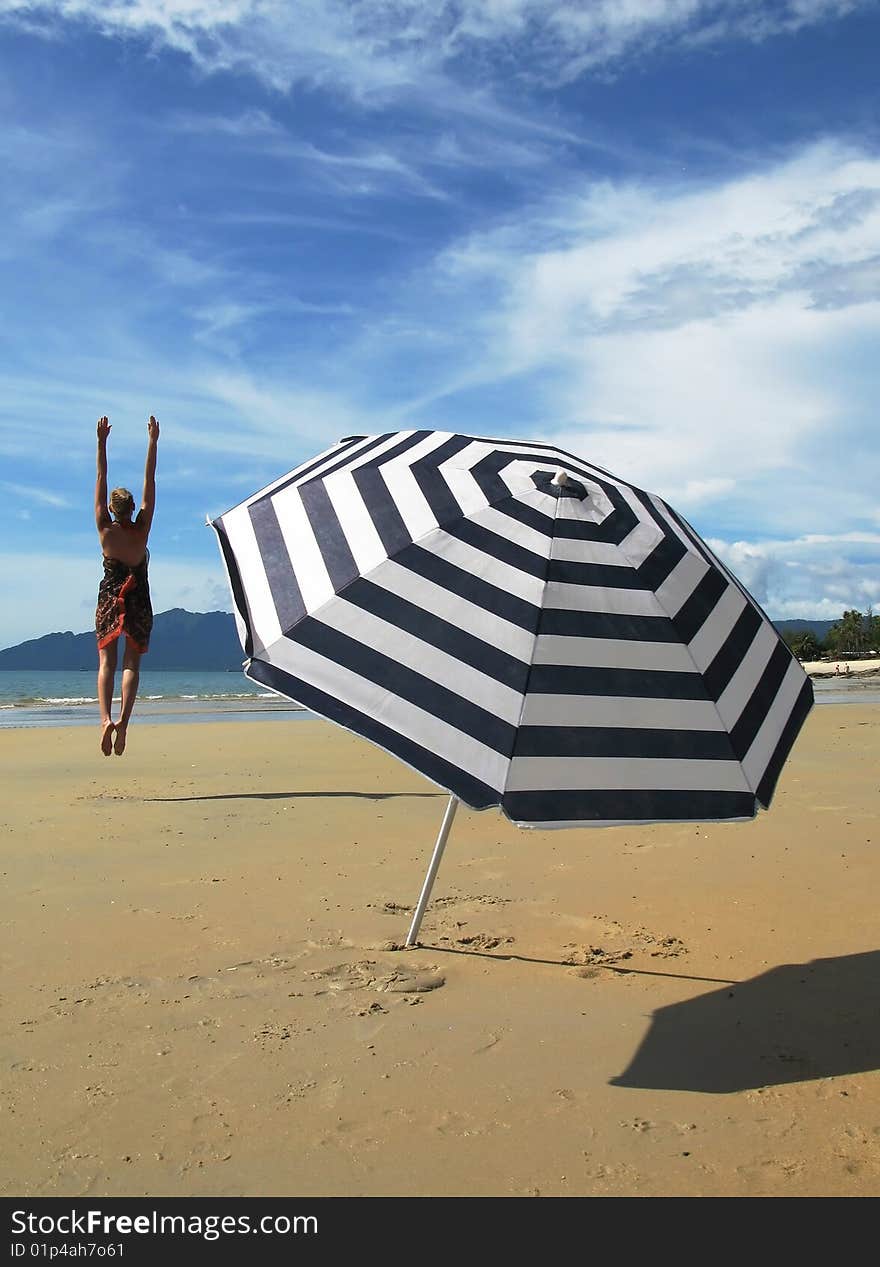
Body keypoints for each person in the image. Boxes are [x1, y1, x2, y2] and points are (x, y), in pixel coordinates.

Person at [94, 414, 159, 755]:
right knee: (131, 664)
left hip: (109, 595)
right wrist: (153, 442)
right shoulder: (142, 528)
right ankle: (123, 722)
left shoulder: (105, 527)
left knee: (107, 662)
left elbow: (101, 476)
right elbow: (150, 478)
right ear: (133, 508)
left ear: (111, 508)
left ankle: (105, 719)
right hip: (138, 597)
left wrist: (102, 443)